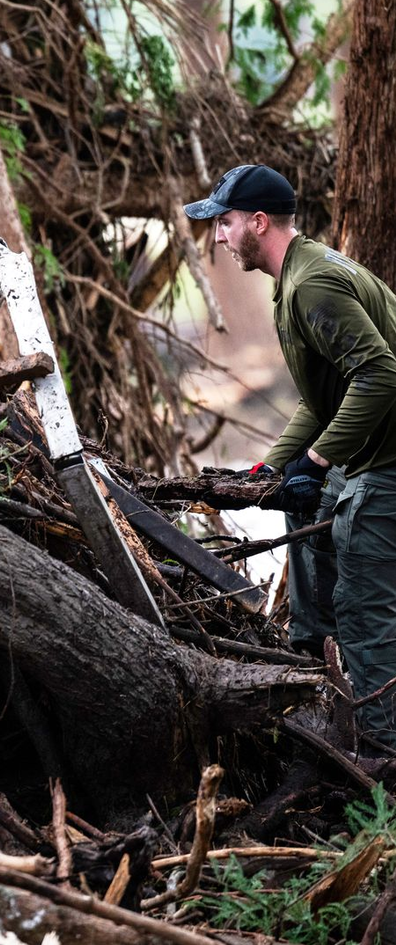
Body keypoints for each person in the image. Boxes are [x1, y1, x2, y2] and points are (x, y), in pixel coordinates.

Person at [185, 164, 396, 751]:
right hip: (374, 447)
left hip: (388, 460)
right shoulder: (299, 275)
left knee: (364, 608)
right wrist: (274, 469)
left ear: (257, 222)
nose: (219, 237)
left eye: (225, 223)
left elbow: (381, 374)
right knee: (302, 510)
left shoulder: (312, 287)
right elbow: (322, 397)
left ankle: (383, 758)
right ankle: (312, 668)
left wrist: (320, 461)